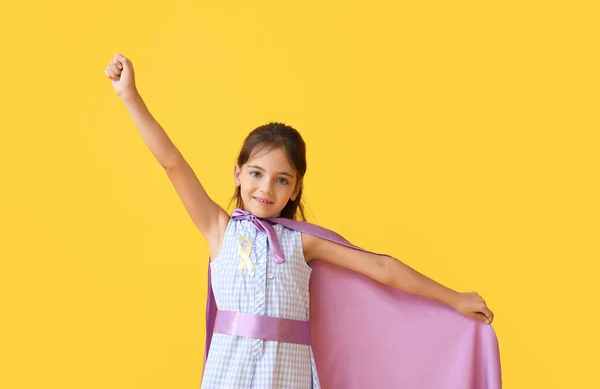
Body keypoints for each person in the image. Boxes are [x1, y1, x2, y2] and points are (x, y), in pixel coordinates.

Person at [104, 53, 500, 389]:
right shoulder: (219, 230)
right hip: (230, 375)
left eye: (281, 180)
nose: (265, 189)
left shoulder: (301, 244)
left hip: (287, 376)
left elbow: (382, 267)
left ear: (295, 189)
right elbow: (172, 163)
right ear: (237, 173)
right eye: (256, 173)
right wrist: (130, 96)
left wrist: (455, 299)